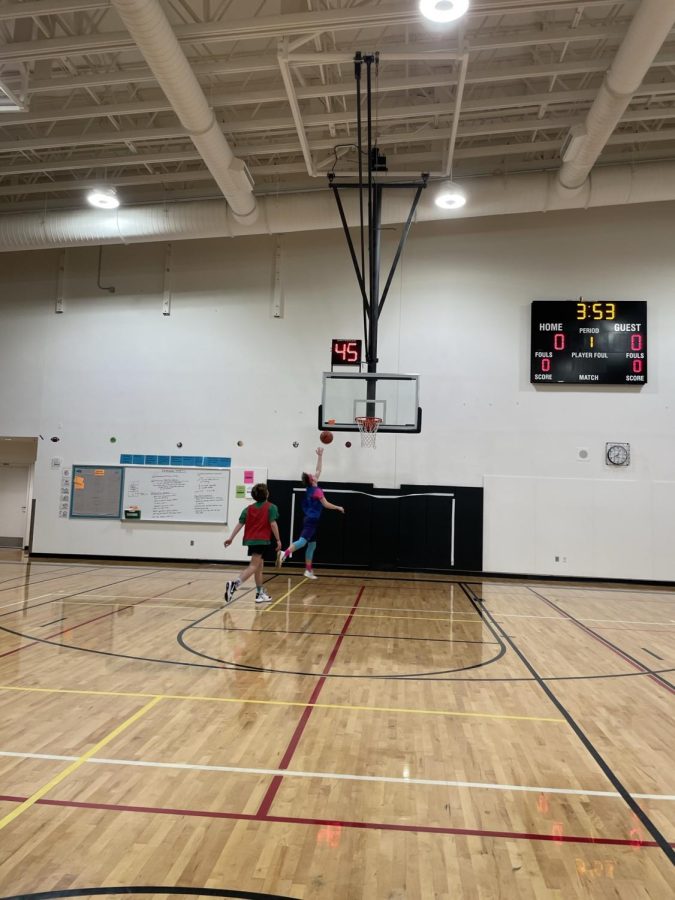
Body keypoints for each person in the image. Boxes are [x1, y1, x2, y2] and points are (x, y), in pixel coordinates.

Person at [276, 446, 344, 579]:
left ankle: (308, 570)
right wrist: (338, 507)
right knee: (302, 541)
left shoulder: (311, 488)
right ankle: (284, 553)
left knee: (312, 545)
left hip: (309, 519)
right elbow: (325, 504)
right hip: (311, 520)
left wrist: (320, 456)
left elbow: (318, 470)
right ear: (312, 480)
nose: (314, 474)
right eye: (312, 475)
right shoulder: (317, 491)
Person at [223, 482, 281, 604]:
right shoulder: (271, 507)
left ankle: (259, 593)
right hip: (261, 540)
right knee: (253, 566)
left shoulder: (248, 509)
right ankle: (234, 584)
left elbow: (240, 523)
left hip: (251, 540)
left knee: (259, 567)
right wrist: (278, 540)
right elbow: (273, 524)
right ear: (266, 494)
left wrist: (231, 538)